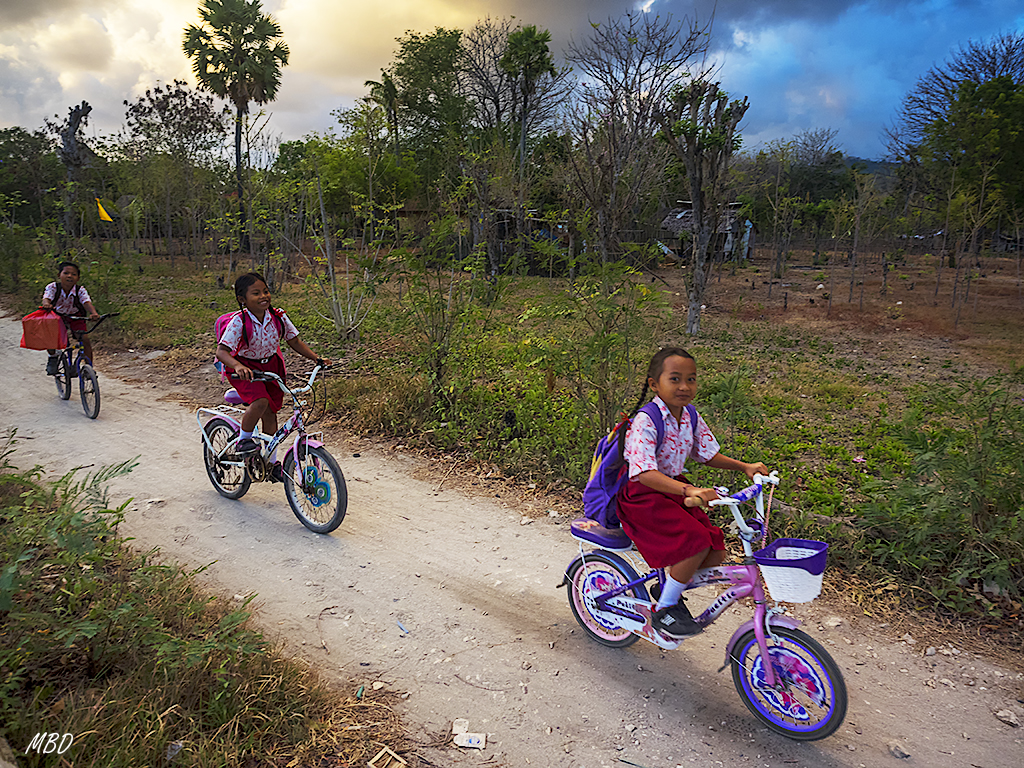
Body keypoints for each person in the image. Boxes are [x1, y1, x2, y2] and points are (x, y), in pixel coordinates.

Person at [618, 347, 769, 639]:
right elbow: (643, 472)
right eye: (675, 379)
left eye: (691, 379)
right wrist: (690, 488)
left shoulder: (689, 415)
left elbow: (706, 453)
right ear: (654, 384)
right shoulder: (646, 420)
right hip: (643, 495)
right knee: (694, 541)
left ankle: (668, 586)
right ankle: (665, 609)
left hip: (674, 490)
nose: (684, 387)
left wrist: (745, 467)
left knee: (715, 548)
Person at [215, 272, 330, 483]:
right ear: (243, 300)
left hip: (271, 367)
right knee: (260, 402)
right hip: (245, 370)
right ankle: (244, 440)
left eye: (265, 291)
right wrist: (238, 365)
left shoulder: (278, 317)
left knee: (271, 412)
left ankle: (271, 463)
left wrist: (316, 358)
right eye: (256, 293)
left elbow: (294, 341)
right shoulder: (239, 322)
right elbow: (222, 352)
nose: (263, 296)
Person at [40, 262, 100, 375]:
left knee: (85, 340)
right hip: (57, 317)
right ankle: (52, 357)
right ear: (59, 275)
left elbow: (86, 302)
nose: (69, 276)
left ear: (78, 278)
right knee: (51, 338)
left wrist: (93, 313)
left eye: (73, 274)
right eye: (66, 273)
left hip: (76, 317)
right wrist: (47, 304)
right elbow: (47, 298)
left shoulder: (80, 290)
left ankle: (89, 367)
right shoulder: (53, 287)